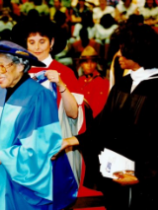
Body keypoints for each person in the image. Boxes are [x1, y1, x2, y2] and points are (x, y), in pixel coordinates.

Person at [56, 23, 158, 210]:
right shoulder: (123, 84)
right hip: (118, 174)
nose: (118, 55)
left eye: (123, 49)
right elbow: (103, 126)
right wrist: (72, 140)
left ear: (138, 50)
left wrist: (142, 176)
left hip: (149, 180)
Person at [0, 40, 69, 210]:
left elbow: (45, 147)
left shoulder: (40, 96)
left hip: (20, 189)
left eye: (2, 67)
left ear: (21, 66)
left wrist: (1, 157)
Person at [12, 17, 84, 187]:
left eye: (42, 41)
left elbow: (73, 114)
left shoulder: (65, 73)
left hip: (56, 147)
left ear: (51, 42)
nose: (37, 47)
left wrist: (61, 85)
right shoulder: (17, 74)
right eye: (32, 42)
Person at [78, 46, 109, 118]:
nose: (89, 65)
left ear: (96, 63)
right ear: (81, 64)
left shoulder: (103, 81)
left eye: (92, 61)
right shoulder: (79, 80)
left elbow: (100, 107)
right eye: (86, 62)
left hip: (96, 121)